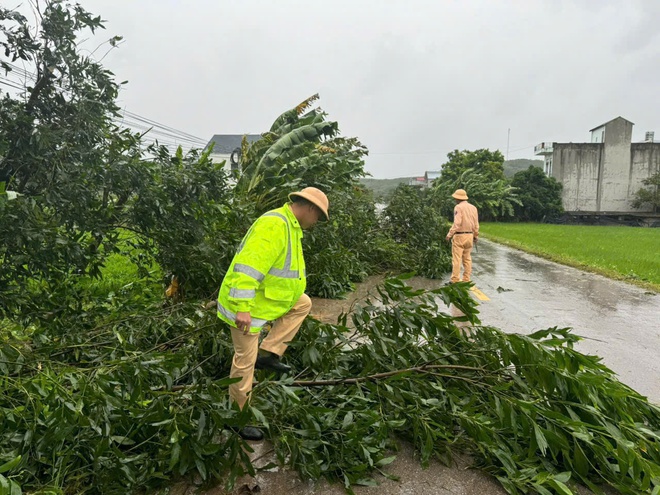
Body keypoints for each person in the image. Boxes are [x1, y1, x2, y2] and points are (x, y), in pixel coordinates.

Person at [216, 187, 329, 441]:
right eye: (318, 216)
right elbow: (249, 265)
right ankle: (238, 418)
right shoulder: (274, 225)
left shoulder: (290, 226)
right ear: (310, 208)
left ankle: (268, 353)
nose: (317, 222)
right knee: (244, 362)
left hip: (265, 301)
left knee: (303, 303)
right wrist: (243, 307)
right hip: (247, 307)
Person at [445, 188, 479, 284]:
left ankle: (455, 279)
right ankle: (466, 279)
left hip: (459, 236)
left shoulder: (458, 207)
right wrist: (475, 236)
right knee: (467, 259)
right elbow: (476, 224)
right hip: (470, 236)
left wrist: (449, 234)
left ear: (457, 198)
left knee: (457, 259)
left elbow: (457, 223)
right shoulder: (473, 208)